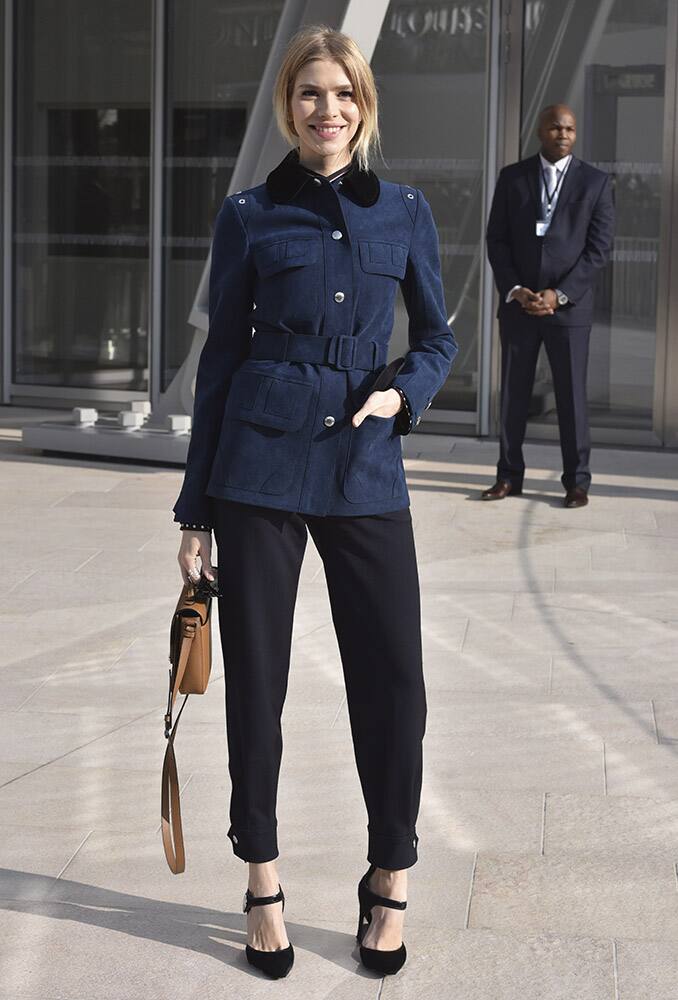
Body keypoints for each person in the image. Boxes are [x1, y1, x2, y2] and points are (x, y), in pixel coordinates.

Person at [173, 24, 457, 980]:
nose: (325, 109)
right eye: (308, 95)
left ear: (363, 105)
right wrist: (192, 510)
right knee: (257, 684)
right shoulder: (249, 213)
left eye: (341, 93)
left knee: (397, 682)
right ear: (288, 108)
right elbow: (219, 363)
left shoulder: (406, 211)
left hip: (367, 464)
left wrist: (402, 395)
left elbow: (439, 340)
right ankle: (262, 879)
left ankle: (390, 878)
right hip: (256, 466)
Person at [484, 103, 615, 507]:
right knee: (514, 395)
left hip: (568, 311)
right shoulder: (513, 178)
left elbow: (599, 248)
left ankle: (577, 482)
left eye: (570, 129)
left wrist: (559, 294)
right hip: (520, 306)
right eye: (556, 128)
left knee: (571, 396)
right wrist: (517, 289)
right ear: (540, 131)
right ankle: (508, 476)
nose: (563, 134)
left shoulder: (595, 182)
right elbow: (497, 240)